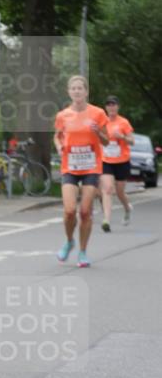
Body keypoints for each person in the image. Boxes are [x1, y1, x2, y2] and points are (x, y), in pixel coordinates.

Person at [53, 75, 109, 268]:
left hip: (91, 167)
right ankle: (69, 241)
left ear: (86, 92)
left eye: (80, 88)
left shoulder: (98, 113)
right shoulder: (63, 115)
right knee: (69, 211)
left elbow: (107, 141)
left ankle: (83, 252)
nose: (77, 91)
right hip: (70, 166)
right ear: (69, 92)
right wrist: (59, 146)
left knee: (85, 212)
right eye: (73, 88)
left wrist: (98, 132)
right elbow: (57, 136)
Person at [99, 95, 134, 231]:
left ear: (118, 107)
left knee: (120, 192)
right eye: (108, 105)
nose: (111, 107)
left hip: (122, 162)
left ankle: (127, 208)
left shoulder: (124, 122)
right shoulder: (102, 122)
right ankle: (106, 220)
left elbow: (132, 141)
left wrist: (123, 137)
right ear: (106, 108)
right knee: (107, 189)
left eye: (113, 104)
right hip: (106, 161)